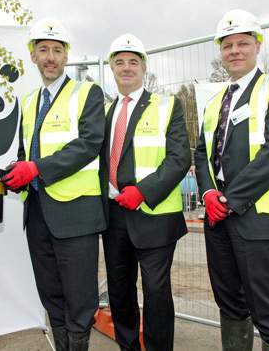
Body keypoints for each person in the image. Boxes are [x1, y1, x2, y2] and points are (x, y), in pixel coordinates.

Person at [194, 9, 269, 351]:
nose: (235, 50)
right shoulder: (214, 103)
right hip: (219, 217)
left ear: (257, 45)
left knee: (266, 306)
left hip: (257, 217)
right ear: (220, 52)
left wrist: (229, 200)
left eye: (243, 43)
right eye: (227, 45)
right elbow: (200, 153)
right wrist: (209, 192)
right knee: (229, 302)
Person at [2, 17, 106, 351]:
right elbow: (26, 148)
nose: (50, 57)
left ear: (66, 56)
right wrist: (17, 172)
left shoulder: (87, 92)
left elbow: (89, 143)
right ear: (32, 55)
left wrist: (36, 169)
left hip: (76, 214)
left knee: (80, 298)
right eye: (43, 50)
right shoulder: (30, 101)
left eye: (56, 50)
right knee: (51, 294)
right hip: (38, 216)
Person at [101, 33, 190, 351]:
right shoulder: (106, 112)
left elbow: (180, 158)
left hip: (154, 216)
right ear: (112, 68)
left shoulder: (168, 106)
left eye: (133, 62)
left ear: (144, 67)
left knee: (155, 293)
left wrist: (142, 192)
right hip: (113, 217)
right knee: (120, 291)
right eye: (120, 62)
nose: (126, 68)